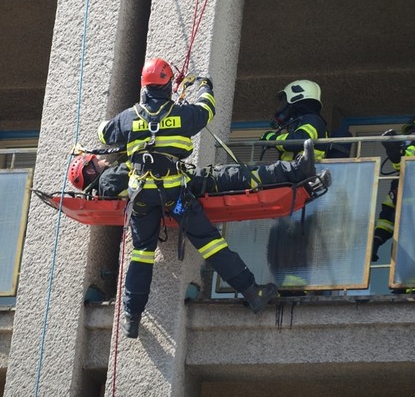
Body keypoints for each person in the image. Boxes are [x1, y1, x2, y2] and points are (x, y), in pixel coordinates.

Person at [96, 57, 280, 339]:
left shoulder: (129, 117)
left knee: (141, 253)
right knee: (209, 242)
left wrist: (131, 124)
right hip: (175, 198)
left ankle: (131, 318)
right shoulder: (182, 115)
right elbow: (207, 109)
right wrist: (204, 85)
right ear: (168, 86)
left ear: (144, 87)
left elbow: (104, 133)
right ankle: (252, 292)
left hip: (142, 200)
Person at [68, 140, 332, 199]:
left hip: (187, 183)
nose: (102, 160)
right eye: (96, 162)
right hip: (189, 186)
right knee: (240, 176)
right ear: (91, 172)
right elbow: (144, 168)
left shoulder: (108, 184)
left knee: (240, 175)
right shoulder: (109, 182)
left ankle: (297, 174)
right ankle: (298, 171)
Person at [371, 118, 415, 261]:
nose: (408, 143)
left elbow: (409, 161)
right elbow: (387, 216)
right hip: (408, 248)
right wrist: (377, 239)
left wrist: (397, 157)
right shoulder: (398, 183)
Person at [260, 80, 329, 162]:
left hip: (305, 171)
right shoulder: (299, 124)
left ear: (295, 99)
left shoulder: (313, 119)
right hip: (293, 171)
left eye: (284, 102)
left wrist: (272, 138)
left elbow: (299, 141)